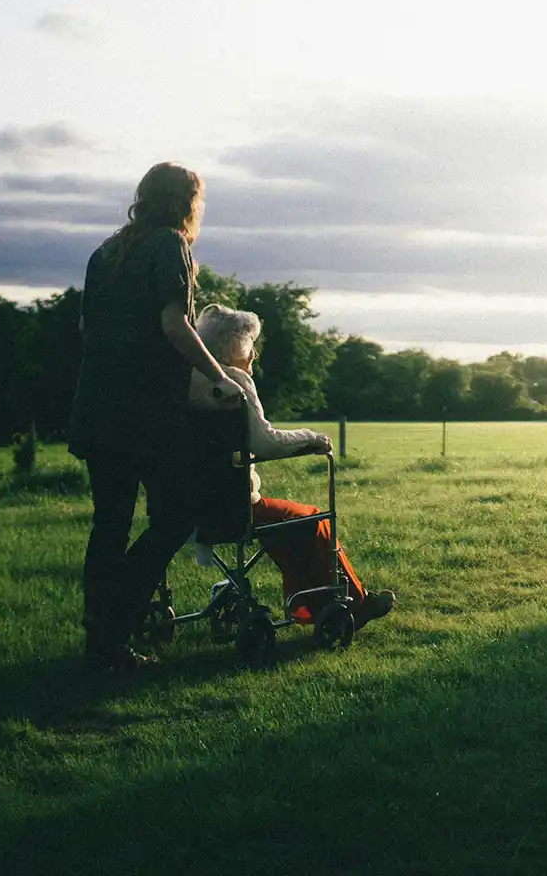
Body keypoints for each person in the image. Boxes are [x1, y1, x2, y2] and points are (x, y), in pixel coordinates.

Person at [68, 162, 246, 672]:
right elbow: (175, 325)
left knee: (110, 523)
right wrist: (220, 376)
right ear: (187, 202)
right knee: (176, 516)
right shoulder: (170, 245)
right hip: (143, 412)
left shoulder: (105, 252)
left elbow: (87, 326)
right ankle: (114, 621)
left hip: (96, 406)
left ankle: (101, 642)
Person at [188, 302, 395, 630]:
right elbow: (265, 443)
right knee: (311, 519)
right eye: (250, 345)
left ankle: (310, 607)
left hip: (191, 506)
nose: (254, 353)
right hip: (234, 506)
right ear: (231, 348)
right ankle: (354, 602)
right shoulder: (234, 383)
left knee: (287, 525)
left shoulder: (190, 384)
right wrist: (312, 439)